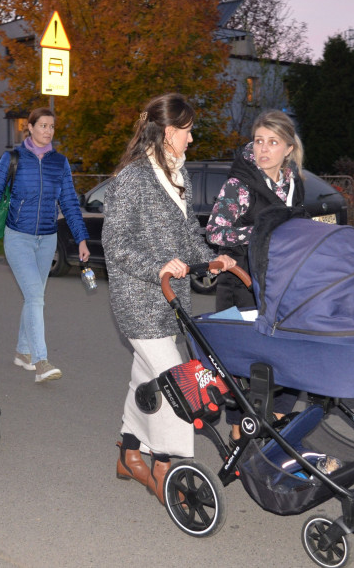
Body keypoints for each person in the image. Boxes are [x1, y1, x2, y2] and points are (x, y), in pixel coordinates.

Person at [101, 93, 235, 505]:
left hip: (171, 301)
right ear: (169, 131)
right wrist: (158, 265)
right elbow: (115, 242)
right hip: (139, 300)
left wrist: (211, 262)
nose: (192, 139)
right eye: (188, 130)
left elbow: (188, 238)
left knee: (147, 379)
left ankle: (128, 452)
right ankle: (167, 465)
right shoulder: (131, 178)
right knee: (178, 383)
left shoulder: (179, 174)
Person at [206, 109, 305, 445]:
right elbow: (215, 232)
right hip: (240, 284)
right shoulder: (240, 184)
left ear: (288, 148)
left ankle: (269, 422)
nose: (264, 149)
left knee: (287, 360)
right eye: (259, 141)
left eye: (273, 142)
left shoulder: (294, 185)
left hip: (278, 284)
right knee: (243, 366)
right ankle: (239, 433)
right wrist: (259, 233)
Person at [0, 107, 89, 383]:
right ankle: (41, 362)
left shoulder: (59, 162)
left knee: (34, 297)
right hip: (18, 238)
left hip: (48, 239)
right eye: (43, 125)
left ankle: (23, 352)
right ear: (30, 127)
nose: (48, 131)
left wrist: (82, 238)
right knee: (36, 297)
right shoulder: (12, 158)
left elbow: (70, 202)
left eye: (52, 126)